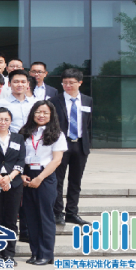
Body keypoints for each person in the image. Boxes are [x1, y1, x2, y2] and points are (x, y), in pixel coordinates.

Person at [21, 100, 66, 265]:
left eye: (45, 112)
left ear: (51, 115)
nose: (41, 115)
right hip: (27, 175)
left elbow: (57, 160)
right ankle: (35, 252)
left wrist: (40, 178)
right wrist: (21, 175)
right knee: (31, 217)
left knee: (45, 216)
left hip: (45, 176)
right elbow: (18, 156)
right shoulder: (25, 132)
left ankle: (46, 254)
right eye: (38, 112)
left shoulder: (57, 134)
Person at [47, 68, 92, 226]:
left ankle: (72, 213)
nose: (67, 85)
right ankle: (58, 212)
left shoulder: (87, 100)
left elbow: (87, 123)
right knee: (58, 180)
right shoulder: (54, 101)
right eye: (64, 83)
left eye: (71, 83)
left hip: (80, 145)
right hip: (61, 145)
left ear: (80, 83)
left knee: (75, 181)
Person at [0, 107, 26, 263]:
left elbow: (21, 159)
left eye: (6, 119)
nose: (3, 122)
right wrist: (0, 178)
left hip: (13, 183)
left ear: (10, 121)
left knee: (11, 219)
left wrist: (9, 177)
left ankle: (9, 254)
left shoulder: (18, 138)